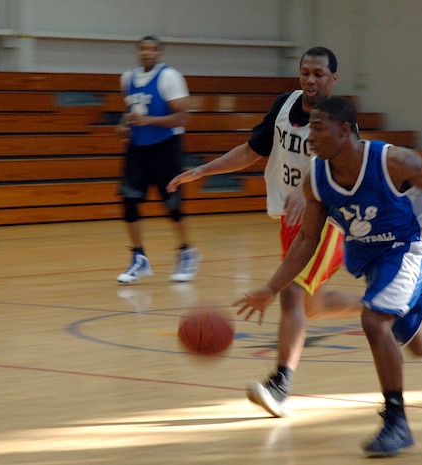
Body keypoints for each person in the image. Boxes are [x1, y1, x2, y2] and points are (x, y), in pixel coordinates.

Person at [234, 97, 422, 457]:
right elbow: (308, 240)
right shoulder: (317, 179)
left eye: (318, 128)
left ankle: (396, 421)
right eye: (309, 128)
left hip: (411, 243)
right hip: (373, 255)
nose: (310, 137)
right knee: (420, 341)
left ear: (344, 131)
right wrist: (271, 287)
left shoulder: (392, 161)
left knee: (374, 320)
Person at [167, 47, 361, 417]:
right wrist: (203, 170)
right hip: (292, 220)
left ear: (334, 79)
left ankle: (280, 383)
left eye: (319, 73)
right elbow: (252, 150)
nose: (310, 79)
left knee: (291, 294)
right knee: (309, 304)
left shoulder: (341, 119)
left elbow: (343, 170)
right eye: (305, 71)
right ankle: (394, 307)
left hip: (331, 221)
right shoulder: (284, 106)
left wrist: (310, 191)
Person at [116, 35, 201, 284]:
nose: (147, 53)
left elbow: (183, 116)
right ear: (138, 52)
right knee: (129, 202)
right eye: (143, 49)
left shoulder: (169, 77)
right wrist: (123, 125)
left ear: (159, 53)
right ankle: (139, 258)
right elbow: (130, 112)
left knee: (172, 205)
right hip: (137, 148)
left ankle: (187, 252)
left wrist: (150, 121)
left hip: (165, 147)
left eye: (152, 49)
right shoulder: (127, 78)